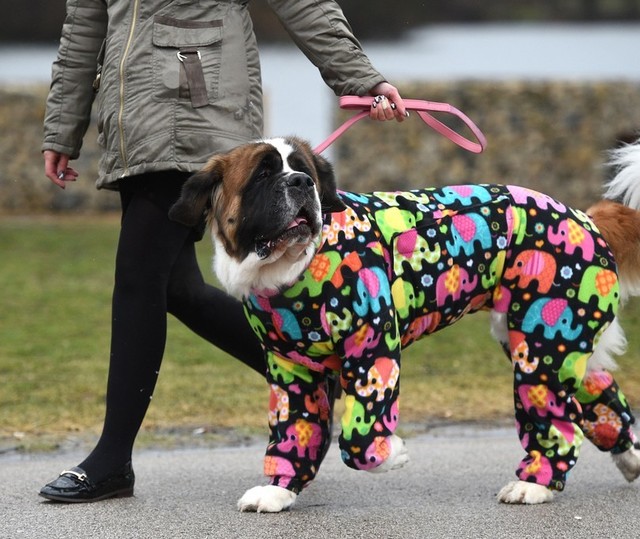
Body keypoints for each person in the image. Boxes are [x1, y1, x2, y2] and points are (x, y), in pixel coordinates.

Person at [39, 0, 407, 503]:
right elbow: (85, 22)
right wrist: (63, 125)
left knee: (139, 281)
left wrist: (360, 78)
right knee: (178, 288)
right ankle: (314, 375)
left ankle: (111, 460)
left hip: (200, 111)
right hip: (135, 120)